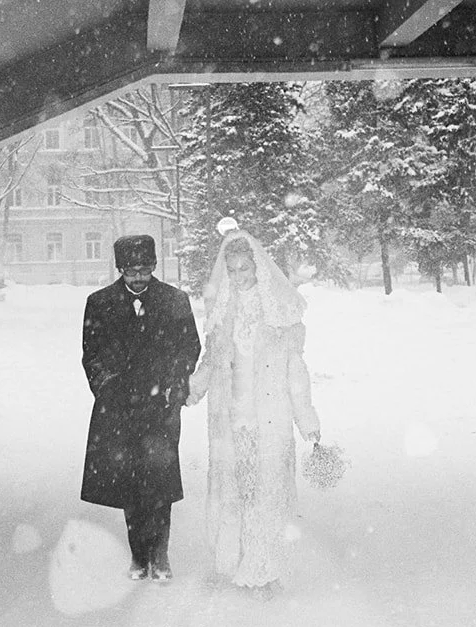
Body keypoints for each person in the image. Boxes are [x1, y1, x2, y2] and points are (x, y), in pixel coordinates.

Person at [186, 227, 320, 591]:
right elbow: (210, 363)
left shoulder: (280, 316)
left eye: (246, 269)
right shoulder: (222, 316)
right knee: (236, 492)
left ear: (258, 268)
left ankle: (263, 569)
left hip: (269, 419)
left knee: (264, 494)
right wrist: (190, 391)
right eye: (233, 270)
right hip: (231, 421)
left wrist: (307, 419)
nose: (240, 276)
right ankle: (233, 560)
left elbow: (296, 372)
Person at [80, 234, 201, 582]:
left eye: (144, 269)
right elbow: (92, 355)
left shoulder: (175, 300)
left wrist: (173, 389)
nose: (138, 277)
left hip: (161, 408)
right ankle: (138, 555)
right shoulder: (99, 303)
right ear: (119, 269)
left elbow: (189, 348)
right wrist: (109, 390)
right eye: (131, 271)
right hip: (119, 410)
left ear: (153, 267)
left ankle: (160, 556)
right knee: (129, 485)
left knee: (159, 483)